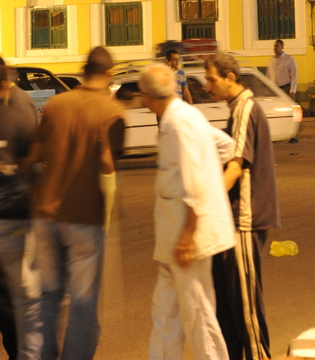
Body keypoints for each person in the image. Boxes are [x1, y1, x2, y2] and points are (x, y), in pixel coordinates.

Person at [30, 46, 125, 360]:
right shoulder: (111, 112)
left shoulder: (56, 104)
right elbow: (107, 164)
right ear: (108, 74)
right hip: (83, 218)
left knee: (48, 296)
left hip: (45, 213)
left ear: (84, 72)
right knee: (83, 303)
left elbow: (37, 153)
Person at [139, 63, 236, 360]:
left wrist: (187, 236)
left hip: (187, 239)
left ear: (146, 97)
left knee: (198, 313)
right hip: (174, 240)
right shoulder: (186, 116)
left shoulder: (178, 124)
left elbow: (194, 184)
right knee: (166, 312)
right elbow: (226, 147)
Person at [205, 54, 280, 360]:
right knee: (229, 308)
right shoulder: (237, 109)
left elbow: (236, 166)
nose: (207, 86)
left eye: (212, 80)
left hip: (245, 220)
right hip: (233, 221)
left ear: (230, 77)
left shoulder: (246, 110)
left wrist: (205, 204)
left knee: (246, 308)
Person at [0, 62, 41, 360]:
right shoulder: (18, 113)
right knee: (20, 299)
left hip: (12, 218)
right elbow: (34, 162)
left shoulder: (17, 109)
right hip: (14, 217)